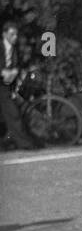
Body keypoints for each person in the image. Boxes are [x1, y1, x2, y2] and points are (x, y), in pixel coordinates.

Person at [0, 22, 38, 150]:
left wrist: (15, 71)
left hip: (6, 86)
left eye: (16, 34)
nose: (15, 37)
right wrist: (3, 72)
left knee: (10, 114)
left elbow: (17, 65)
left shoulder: (15, 50)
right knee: (13, 114)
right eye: (12, 34)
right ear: (4, 34)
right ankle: (25, 145)